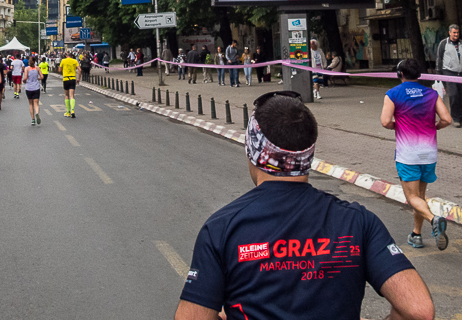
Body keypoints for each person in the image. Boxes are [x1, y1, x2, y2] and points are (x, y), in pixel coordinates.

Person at [177, 91, 433, 320]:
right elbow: (418, 310)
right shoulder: (358, 222)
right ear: (309, 152)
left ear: (253, 149)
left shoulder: (222, 228)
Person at [382, 59, 452, 251]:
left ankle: (433, 219)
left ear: (400, 74)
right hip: (429, 153)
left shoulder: (393, 94)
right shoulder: (432, 93)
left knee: (412, 197)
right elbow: (447, 119)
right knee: (420, 195)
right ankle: (416, 234)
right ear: (419, 74)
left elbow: (385, 121)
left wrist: (399, 125)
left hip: (408, 154)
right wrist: (435, 126)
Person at [435, 25, 462, 128]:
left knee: (460, 96)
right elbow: (439, 58)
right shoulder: (443, 43)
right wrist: (438, 74)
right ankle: (456, 118)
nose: (456, 35)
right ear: (449, 32)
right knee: (453, 95)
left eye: (457, 33)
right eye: (454, 33)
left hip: (461, 72)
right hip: (449, 72)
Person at [59, 52, 80, 118]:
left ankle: (68, 112)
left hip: (65, 79)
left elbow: (59, 70)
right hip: (72, 79)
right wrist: (78, 78)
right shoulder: (75, 61)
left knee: (66, 95)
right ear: (72, 56)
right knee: (72, 96)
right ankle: (73, 110)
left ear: (66, 56)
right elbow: (80, 69)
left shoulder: (63, 60)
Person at [23, 60, 43, 126]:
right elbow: (42, 76)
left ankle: (33, 119)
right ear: (35, 62)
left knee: (30, 104)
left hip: (29, 88)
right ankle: (37, 112)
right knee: (36, 103)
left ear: (29, 63)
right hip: (36, 87)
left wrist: (24, 81)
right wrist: (38, 79)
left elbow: (25, 78)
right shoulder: (37, 68)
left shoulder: (27, 68)